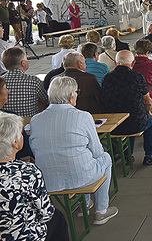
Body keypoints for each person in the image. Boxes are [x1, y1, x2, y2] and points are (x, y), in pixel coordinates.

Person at [29, 77, 118, 226]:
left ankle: (86, 203)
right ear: (71, 96)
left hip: (48, 180)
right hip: (81, 177)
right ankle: (101, 210)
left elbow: (34, 149)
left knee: (80, 160)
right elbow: (97, 151)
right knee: (105, 158)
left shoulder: (36, 119)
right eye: (77, 92)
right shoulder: (83, 116)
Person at [0, 112, 69, 240]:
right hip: (23, 236)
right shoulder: (27, 172)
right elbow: (45, 213)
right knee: (58, 218)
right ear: (15, 142)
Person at [102, 50, 152, 166]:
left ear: (115, 62)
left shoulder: (106, 78)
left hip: (114, 125)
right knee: (150, 119)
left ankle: (128, 156)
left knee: (130, 116)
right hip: (135, 123)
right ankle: (149, 155)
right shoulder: (137, 77)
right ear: (133, 63)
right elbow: (147, 101)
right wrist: (148, 112)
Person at [2, 47, 48, 116]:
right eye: (26, 58)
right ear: (23, 63)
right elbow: (45, 101)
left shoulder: (1, 81)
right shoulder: (33, 81)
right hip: (30, 121)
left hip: (6, 121)